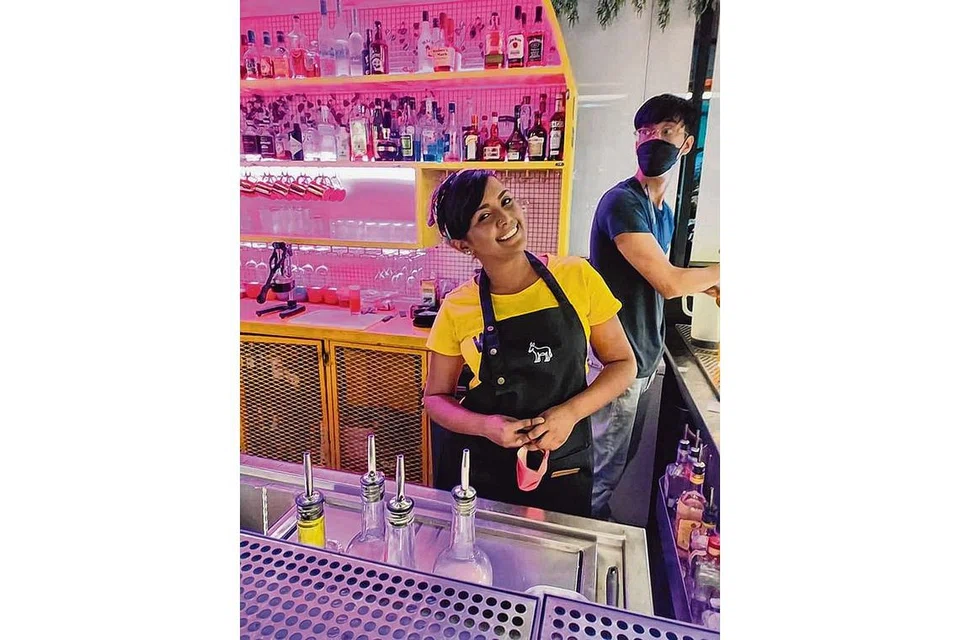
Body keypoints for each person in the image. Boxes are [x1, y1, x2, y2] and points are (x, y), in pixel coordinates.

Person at [423, 170, 636, 518]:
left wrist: (570, 413)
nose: (505, 218)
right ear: (462, 244)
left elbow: (624, 364)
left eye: (506, 201)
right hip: (484, 470)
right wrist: (486, 426)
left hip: (564, 464)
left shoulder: (577, 276)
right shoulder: (457, 307)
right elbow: (435, 399)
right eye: (484, 216)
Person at [588, 94, 720, 520]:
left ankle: (597, 530)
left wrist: (707, 287)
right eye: (645, 132)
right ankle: (584, 541)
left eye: (666, 131)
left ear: (687, 143)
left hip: (642, 357)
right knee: (601, 472)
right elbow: (668, 283)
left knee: (618, 461)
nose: (653, 140)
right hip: (615, 360)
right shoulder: (622, 203)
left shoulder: (661, 210)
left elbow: (658, 274)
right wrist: (719, 273)